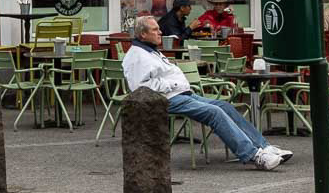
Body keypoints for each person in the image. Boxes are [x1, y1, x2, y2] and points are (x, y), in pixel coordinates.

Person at [123, 15, 289, 171]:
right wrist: (173, 84)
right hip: (167, 99)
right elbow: (140, 88)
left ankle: (264, 146)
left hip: (182, 95)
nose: (160, 32)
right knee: (214, 112)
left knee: (225, 106)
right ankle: (254, 156)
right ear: (143, 34)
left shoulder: (150, 50)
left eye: (158, 28)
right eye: (155, 30)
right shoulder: (137, 56)